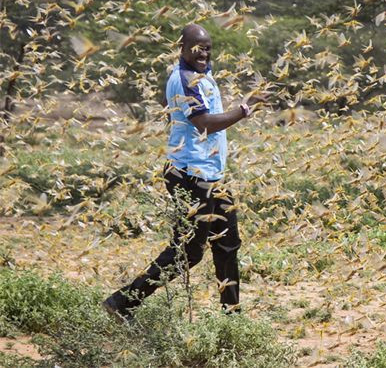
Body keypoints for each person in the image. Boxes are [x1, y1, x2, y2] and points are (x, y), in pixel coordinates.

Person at [103, 24, 268, 320]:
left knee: (228, 243)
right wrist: (244, 109)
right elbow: (204, 122)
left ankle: (231, 316)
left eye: (207, 47)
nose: (203, 52)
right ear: (182, 47)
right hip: (189, 176)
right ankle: (122, 302)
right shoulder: (184, 80)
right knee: (188, 251)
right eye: (197, 47)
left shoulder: (203, 75)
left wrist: (245, 103)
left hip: (211, 176)